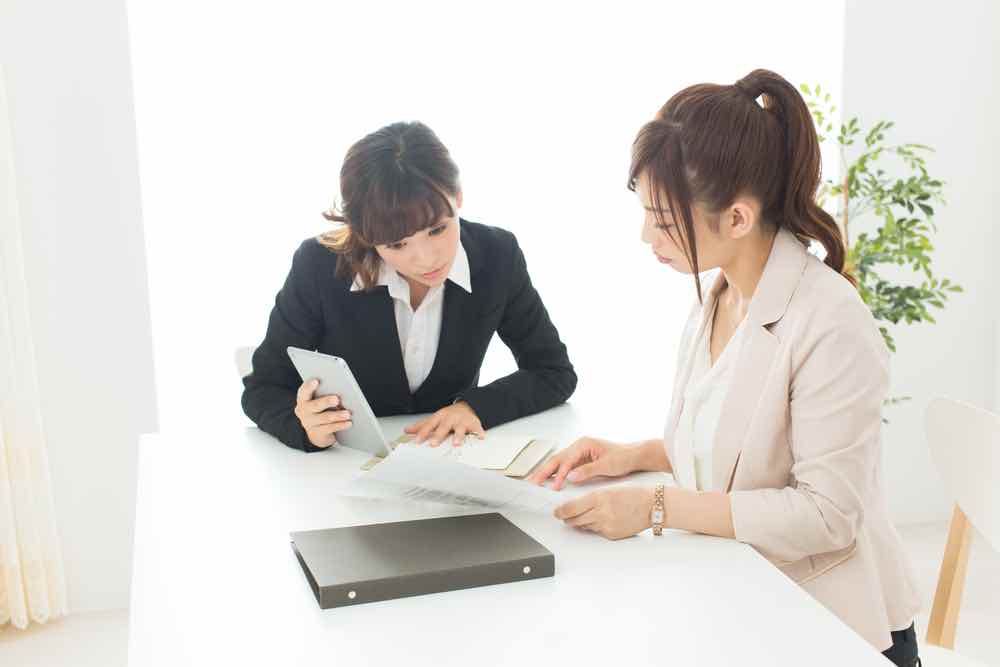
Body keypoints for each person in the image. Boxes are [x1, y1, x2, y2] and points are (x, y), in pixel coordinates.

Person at [529, 69, 922, 665]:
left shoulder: (832, 322)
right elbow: (746, 445)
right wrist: (635, 456)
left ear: (737, 218)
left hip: (833, 626)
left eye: (662, 220)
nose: (645, 236)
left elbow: (826, 516)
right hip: (745, 597)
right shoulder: (720, 294)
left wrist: (654, 508)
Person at [243, 121, 576, 452]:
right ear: (365, 235)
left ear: (457, 196)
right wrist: (307, 429)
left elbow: (553, 371)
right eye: (396, 245)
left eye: (437, 230)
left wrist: (474, 407)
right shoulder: (319, 265)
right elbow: (263, 389)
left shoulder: (497, 255)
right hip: (342, 468)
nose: (425, 259)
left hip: (450, 461)